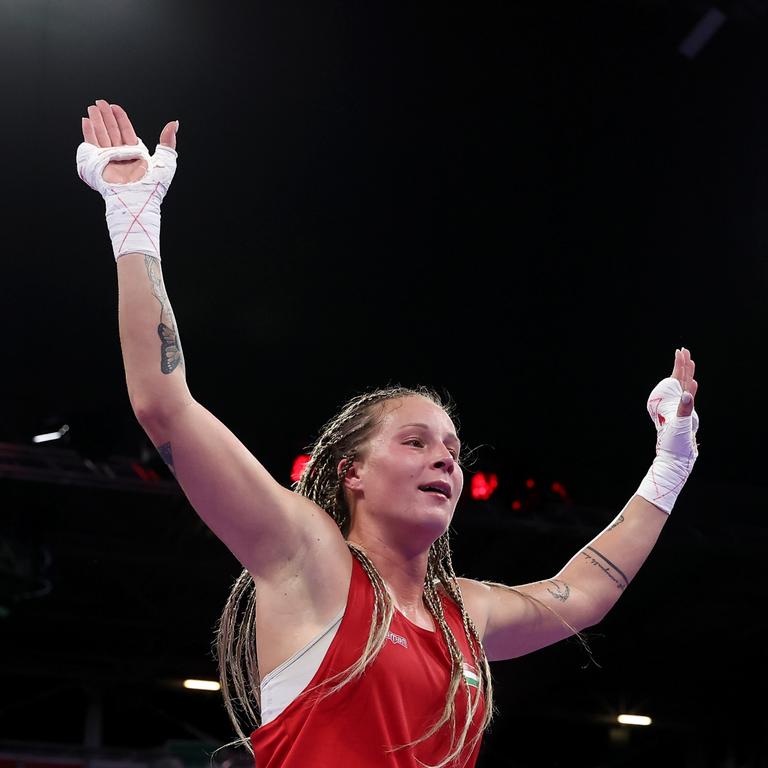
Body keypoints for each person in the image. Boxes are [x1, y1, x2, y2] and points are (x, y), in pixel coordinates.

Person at [76, 99, 700, 768]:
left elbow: (590, 592)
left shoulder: (467, 613)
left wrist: (672, 460)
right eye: (416, 442)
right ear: (352, 471)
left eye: (454, 451)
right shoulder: (307, 557)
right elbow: (164, 406)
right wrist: (133, 212)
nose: (445, 460)